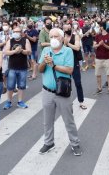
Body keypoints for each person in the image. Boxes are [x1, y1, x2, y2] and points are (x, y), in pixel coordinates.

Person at [38, 28, 82, 156]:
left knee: (68, 120)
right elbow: (40, 69)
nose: (53, 39)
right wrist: (44, 63)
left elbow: (69, 70)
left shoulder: (67, 51)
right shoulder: (46, 50)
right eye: (51, 37)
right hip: (47, 91)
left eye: (56, 36)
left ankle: (75, 143)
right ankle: (49, 142)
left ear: (62, 38)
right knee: (47, 120)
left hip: (63, 91)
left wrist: (54, 65)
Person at [3, 26, 32, 109]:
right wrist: (14, 51)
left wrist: (22, 51)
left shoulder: (25, 40)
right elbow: (6, 52)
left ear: (21, 32)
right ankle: (9, 101)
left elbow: (29, 52)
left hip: (22, 67)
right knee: (10, 86)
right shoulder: (10, 41)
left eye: (18, 31)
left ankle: (20, 101)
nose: (16, 33)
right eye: (15, 31)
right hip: (12, 67)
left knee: (21, 85)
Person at [63, 24, 86, 110]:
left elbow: (77, 48)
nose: (68, 29)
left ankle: (81, 101)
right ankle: (68, 102)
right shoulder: (61, 37)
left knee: (78, 83)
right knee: (66, 83)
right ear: (63, 29)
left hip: (74, 62)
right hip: (65, 63)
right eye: (66, 28)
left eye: (70, 28)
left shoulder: (75, 36)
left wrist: (67, 43)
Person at [93, 22, 109, 95]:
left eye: (99, 26)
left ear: (102, 27)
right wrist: (99, 44)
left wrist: (103, 44)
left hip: (107, 58)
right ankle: (99, 88)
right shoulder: (97, 36)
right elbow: (94, 46)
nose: (98, 28)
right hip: (98, 58)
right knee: (98, 74)